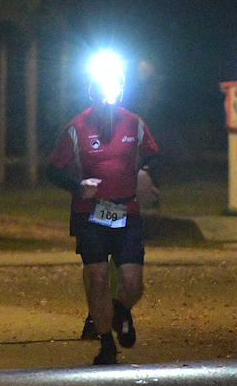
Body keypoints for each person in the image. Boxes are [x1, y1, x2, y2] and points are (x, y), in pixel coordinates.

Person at [46, 52, 159, 365]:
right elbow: (52, 169)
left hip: (127, 212)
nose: (109, 100)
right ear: (92, 94)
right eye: (102, 92)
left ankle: (120, 310)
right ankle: (107, 344)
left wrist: (144, 172)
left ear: (122, 93)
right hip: (91, 214)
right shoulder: (76, 128)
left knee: (133, 285)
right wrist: (76, 187)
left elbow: (153, 154)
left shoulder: (134, 124)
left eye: (115, 92)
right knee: (96, 278)